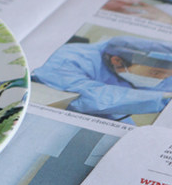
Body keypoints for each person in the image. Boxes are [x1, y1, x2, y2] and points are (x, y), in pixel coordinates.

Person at [32, 36, 172, 123]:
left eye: (167, 75)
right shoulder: (69, 58)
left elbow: (165, 87)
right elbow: (87, 97)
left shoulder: (137, 65)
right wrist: (162, 98)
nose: (161, 79)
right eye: (156, 73)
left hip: (110, 116)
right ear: (117, 61)